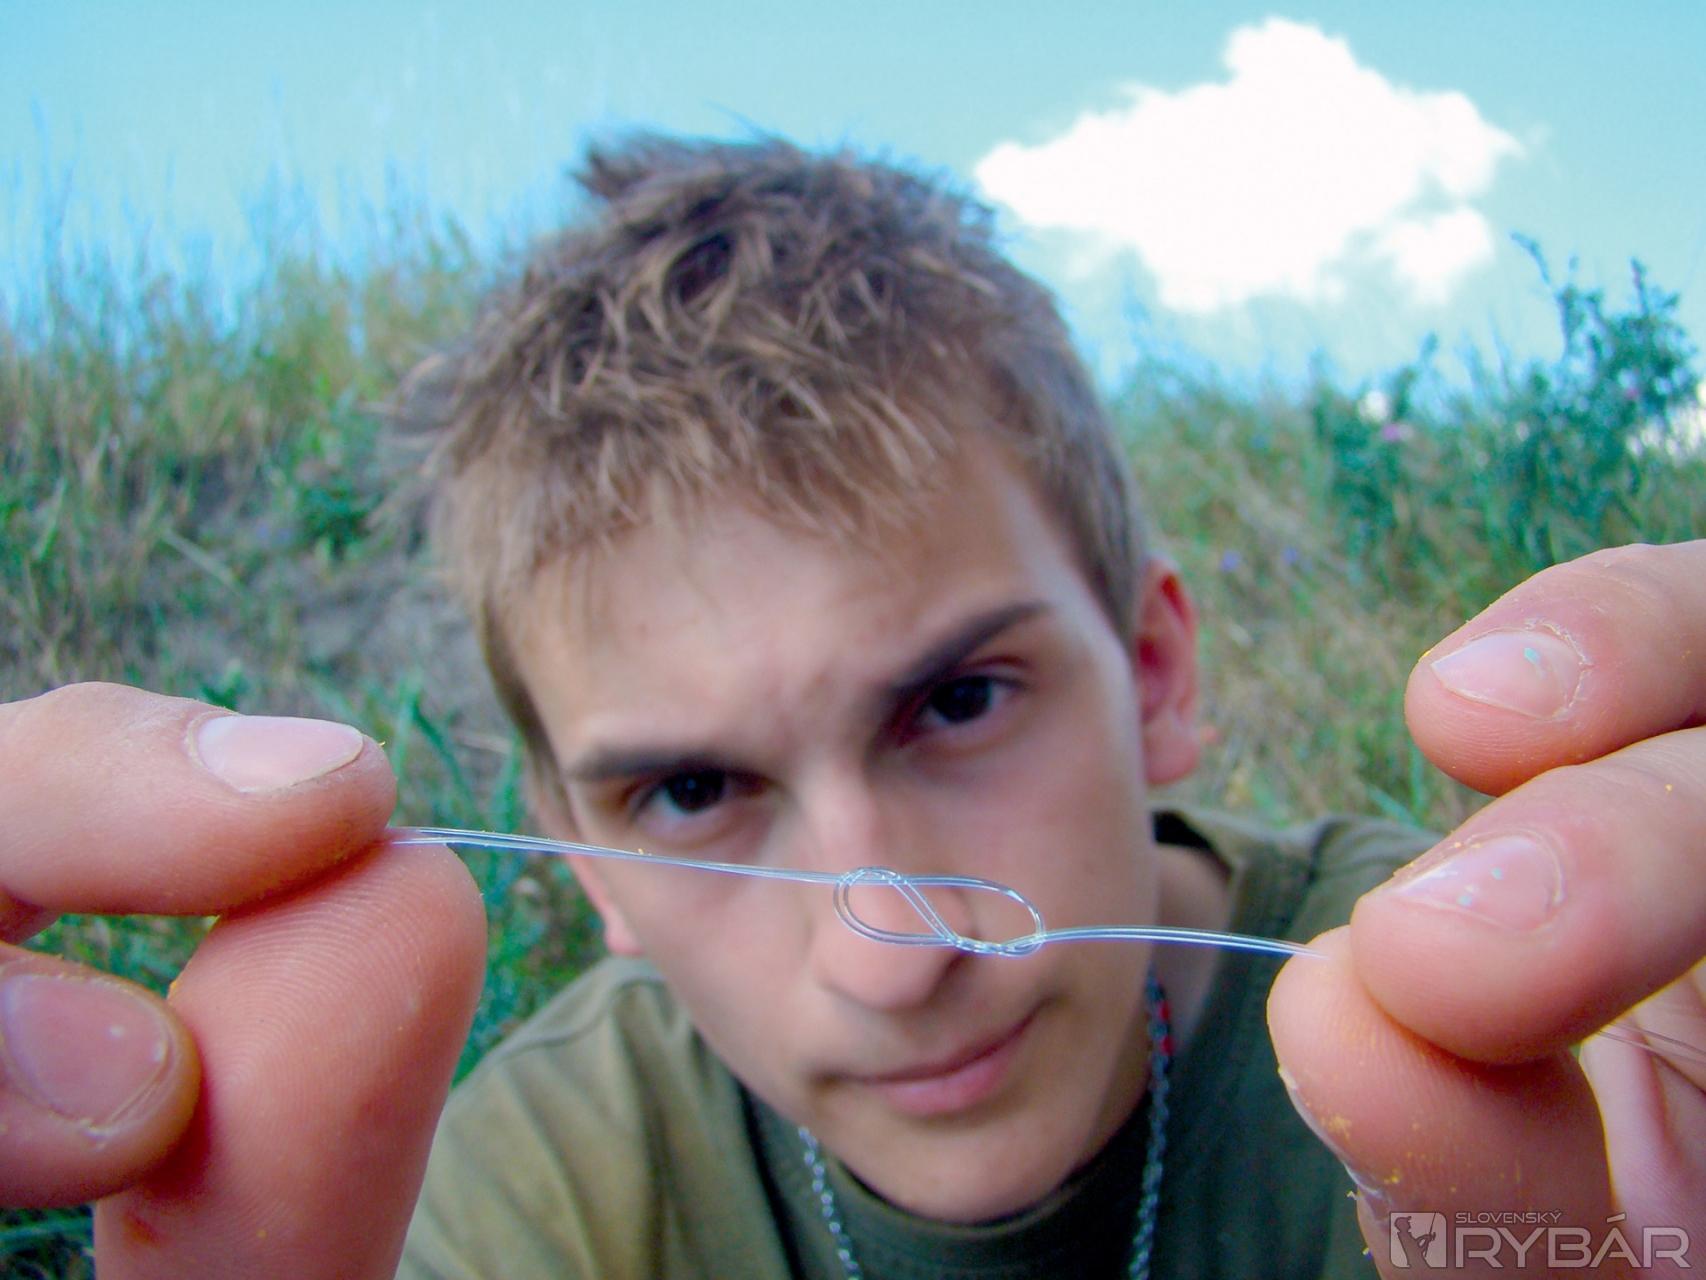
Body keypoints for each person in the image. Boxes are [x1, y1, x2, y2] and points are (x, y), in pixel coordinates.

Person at [1, 136, 1700, 1279]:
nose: (893, 960)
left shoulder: (1551, 1061)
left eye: (957, 701)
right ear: (580, 856)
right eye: (687, 793)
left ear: (1153, 673)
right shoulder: (545, 1187)